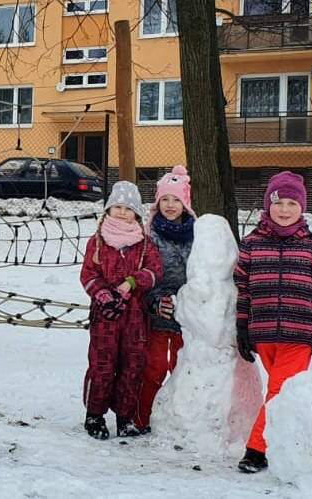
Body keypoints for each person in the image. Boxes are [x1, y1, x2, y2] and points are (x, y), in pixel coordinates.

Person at [234, 171, 312, 473]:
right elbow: (244, 290)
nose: (284, 209)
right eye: (279, 202)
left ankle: (256, 450)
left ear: (301, 207)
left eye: (292, 203)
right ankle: (288, 441)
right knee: (279, 393)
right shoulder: (251, 244)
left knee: (278, 391)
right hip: (263, 332)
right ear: (268, 205)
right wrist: (242, 329)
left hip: (300, 334)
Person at [80, 181, 162, 440]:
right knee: (102, 364)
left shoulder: (145, 244)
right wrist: (104, 296)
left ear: (136, 213)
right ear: (108, 210)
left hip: (135, 315)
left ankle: (125, 416)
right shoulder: (98, 242)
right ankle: (94, 414)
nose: (122, 212)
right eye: (117, 207)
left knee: (132, 365)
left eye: (128, 208)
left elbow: (154, 271)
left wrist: (132, 282)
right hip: (105, 316)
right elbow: (88, 275)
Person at [135, 165, 197, 433]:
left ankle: (178, 420)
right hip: (157, 317)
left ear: (186, 204)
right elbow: (142, 277)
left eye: (176, 200)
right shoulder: (149, 236)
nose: (170, 205)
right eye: (165, 199)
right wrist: (155, 302)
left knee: (182, 369)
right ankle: (142, 418)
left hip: (187, 319)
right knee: (153, 368)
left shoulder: (198, 235)